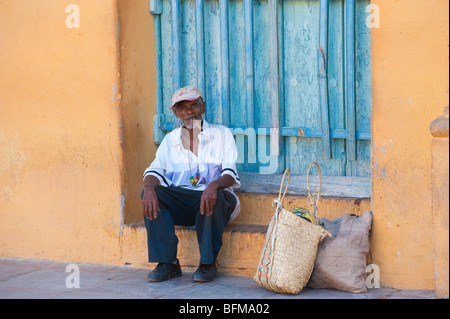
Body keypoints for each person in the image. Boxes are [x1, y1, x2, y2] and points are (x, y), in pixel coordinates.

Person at [141, 85, 241, 282]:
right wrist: (148, 187)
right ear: (176, 113)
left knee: (216, 194)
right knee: (150, 193)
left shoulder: (222, 134)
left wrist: (213, 185)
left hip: (217, 202)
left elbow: (230, 173)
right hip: (185, 204)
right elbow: (154, 171)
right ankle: (167, 263)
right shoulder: (170, 141)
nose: (189, 111)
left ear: (202, 107)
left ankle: (207, 263)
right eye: (183, 107)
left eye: (194, 105)